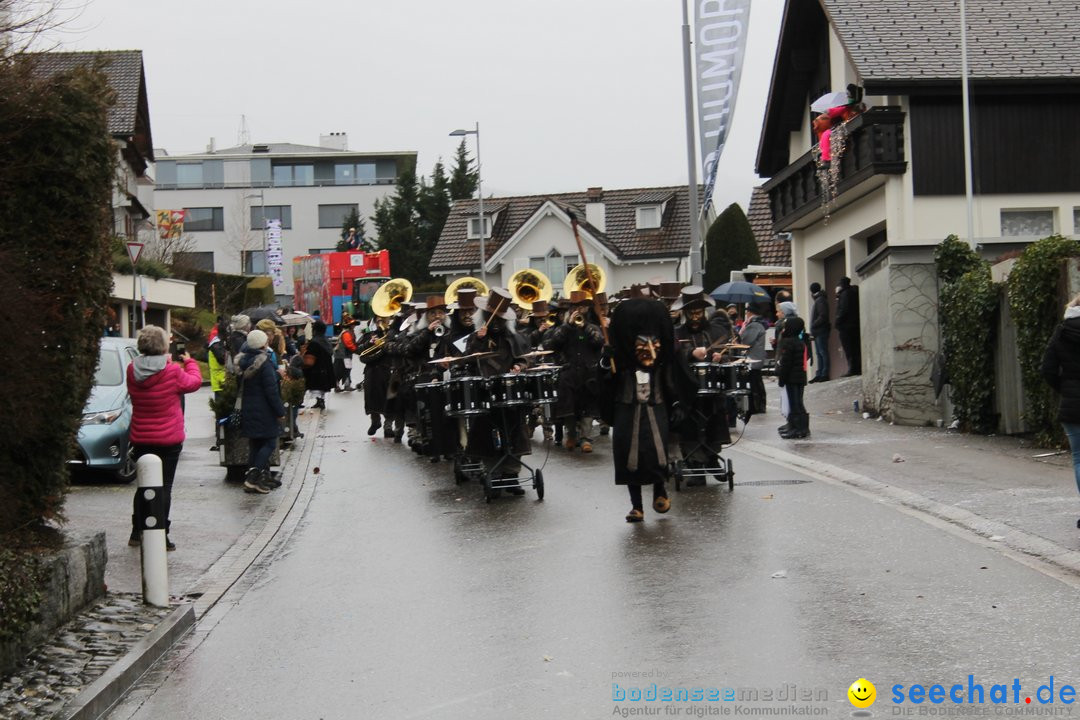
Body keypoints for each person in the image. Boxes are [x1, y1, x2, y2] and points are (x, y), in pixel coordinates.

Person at [126, 325, 202, 550]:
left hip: (141, 437)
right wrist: (190, 362)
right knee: (164, 487)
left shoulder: (132, 370)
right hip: (168, 439)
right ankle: (162, 534)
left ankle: (136, 532)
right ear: (163, 346)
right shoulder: (172, 372)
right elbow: (194, 383)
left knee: (143, 486)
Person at [605, 297, 676, 522]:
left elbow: (674, 374)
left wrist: (676, 402)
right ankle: (636, 506)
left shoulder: (662, 352)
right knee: (628, 455)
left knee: (657, 452)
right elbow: (605, 378)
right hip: (627, 405)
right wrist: (606, 361)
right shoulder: (619, 355)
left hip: (656, 404)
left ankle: (659, 491)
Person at [670, 285, 732, 484]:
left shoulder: (716, 331)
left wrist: (719, 357)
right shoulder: (676, 333)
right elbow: (671, 356)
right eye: (691, 313)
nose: (695, 317)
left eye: (698, 313)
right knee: (688, 422)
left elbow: (728, 353)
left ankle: (712, 458)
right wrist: (689, 353)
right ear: (685, 313)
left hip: (712, 388)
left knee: (715, 418)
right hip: (686, 388)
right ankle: (694, 461)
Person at [1040, 293, 1080, 529]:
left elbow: (1047, 369)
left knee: (1079, 459)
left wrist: (1064, 389)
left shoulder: (1061, 332)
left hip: (1072, 406)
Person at [546, 291, 604, 452]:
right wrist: (569, 326)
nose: (579, 310)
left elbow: (599, 342)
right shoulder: (564, 328)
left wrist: (584, 327)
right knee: (568, 406)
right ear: (571, 309)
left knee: (588, 406)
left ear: (587, 308)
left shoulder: (593, 327)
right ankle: (571, 435)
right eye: (576, 307)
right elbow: (552, 344)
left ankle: (586, 438)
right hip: (569, 371)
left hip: (588, 372)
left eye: (582, 306)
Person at [235, 329, 287, 494]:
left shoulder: (244, 361)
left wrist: (275, 375)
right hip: (264, 410)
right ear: (263, 343)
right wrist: (280, 411)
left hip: (248, 408)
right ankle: (253, 477)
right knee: (270, 442)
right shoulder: (263, 363)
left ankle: (254, 481)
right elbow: (271, 391)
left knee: (256, 444)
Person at [775, 302, 811, 439]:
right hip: (799, 377)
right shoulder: (799, 341)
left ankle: (797, 428)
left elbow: (786, 363)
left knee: (794, 404)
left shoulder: (789, 343)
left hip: (791, 378)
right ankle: (802, 428)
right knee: (798, 403)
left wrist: (781, 379)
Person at [302, 320, 335, 410]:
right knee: (322, 386)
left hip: (317, 368)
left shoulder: (315, 342)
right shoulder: (325, 340)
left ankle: (320, 401)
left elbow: (311, 354)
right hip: (326, 368)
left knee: (317, 386)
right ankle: (321, 401)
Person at [835, 277, 861, 376]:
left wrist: (838, 321)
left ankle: (853, 368)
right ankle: (857, 367)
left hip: (846, 326)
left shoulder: (845, 294)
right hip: (854, 324)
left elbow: (843, 310)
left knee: (849, 349)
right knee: (855, 347)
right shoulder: (854, 292)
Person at [808, 282, 831, 383]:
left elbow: (823, 316)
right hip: (818, 331)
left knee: (822, 352)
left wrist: (814, 324)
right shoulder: (819, 299)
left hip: (821, 330)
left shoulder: (820, 300)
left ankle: (824, 373)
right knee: (819, 353)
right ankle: (820, 373)